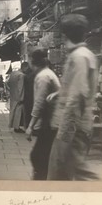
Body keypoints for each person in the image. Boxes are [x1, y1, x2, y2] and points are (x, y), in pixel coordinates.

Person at [47, 14, 99, 181]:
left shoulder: (78, 57)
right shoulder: (83, 55)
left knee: (64, 175)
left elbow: (77, 97)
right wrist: (60, 93)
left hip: (72, 129)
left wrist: (64, 135)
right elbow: (79, 88)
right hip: (75, 126)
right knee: (68, 174)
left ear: (64, 35)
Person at [25, 49, 60, 180]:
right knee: (41, 156)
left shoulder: (43, 76)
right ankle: (42, 178)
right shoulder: (47, 73)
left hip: (51, 123)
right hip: (50, 122)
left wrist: (30, 126)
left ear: (31, 61)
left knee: (38, 156)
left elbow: (39, 102)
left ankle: (41, 182)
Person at [8, 62, 30, 133]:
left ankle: (15, 126)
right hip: (18, 97)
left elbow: (7, 83)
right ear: (25, 67)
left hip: (12, 95)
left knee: (13, 111)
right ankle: (17, 127)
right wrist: (21, 97)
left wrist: (11, 91)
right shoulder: (21, 75)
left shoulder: (13, 74)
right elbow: (21, 87)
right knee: (18, 112)